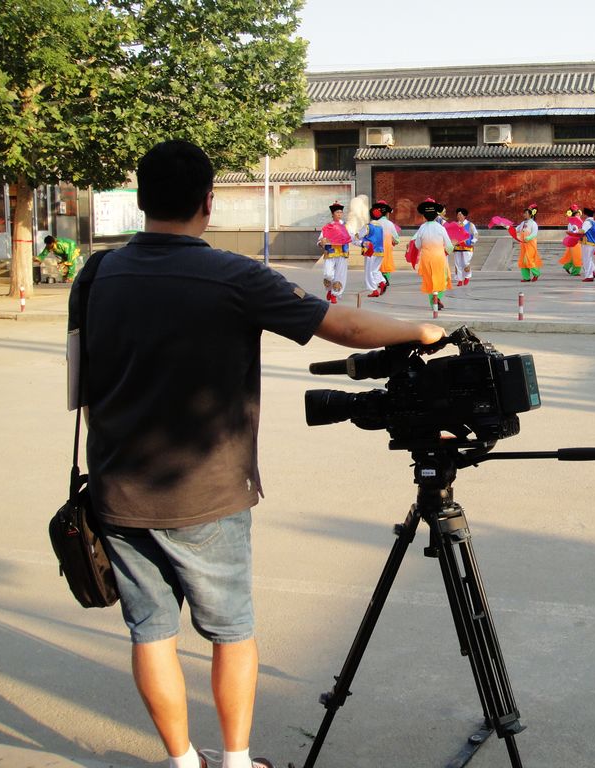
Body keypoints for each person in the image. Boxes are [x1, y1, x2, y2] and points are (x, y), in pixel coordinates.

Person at [74, 140, 444, 768]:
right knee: (231, 633)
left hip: (119, 491)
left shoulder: (95, 275)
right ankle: (237, 761)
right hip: (209, 493)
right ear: (208, 203)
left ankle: (182, 761)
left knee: (151, 633)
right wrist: (422, 330)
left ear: (140, 200)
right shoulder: (233, 275)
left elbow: (80, 387)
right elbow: (345, 327)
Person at [414, 198, 453, 310]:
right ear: (436, 215)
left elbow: (417, 245)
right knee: (442, 279)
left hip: (426, 258)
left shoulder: (421, 228)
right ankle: (437, 298)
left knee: (429, 280)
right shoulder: (441, 228)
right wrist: (448, 251)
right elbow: (449, 245)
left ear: (424, 216)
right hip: (439, 257)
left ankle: (433, 302)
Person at [317, 202, 351, 303]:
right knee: (328, 274)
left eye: (341, 212)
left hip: (342, 253)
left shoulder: (346, 226)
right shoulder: (327, 227)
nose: (339, 214)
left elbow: (353, 237)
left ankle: (334, 294)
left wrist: (362, 243)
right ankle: (330, 288)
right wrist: (321, 242)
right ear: (332, 214)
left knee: (340, 275)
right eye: (337, 212)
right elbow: (320, 240)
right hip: (330, 253)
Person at [358, 203, 392, 297]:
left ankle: (374, 290)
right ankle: (382, 282)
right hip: (380, 251)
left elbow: (359, 236)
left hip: (370, 251)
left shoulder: (368, 226)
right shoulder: (380, 227)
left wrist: (355, 237)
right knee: (375, 270)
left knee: (369, 272)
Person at [373, 200, 399, 290]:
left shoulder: (375, 223)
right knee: (386, 262)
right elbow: (396, 239)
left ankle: (380, 280)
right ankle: (385, 278)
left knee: (377, 264)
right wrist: (394, 241)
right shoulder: (390, 224)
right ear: (387, 213)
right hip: (387, 247)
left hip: (377, 247)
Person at [515, 203, 541, 282]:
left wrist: (528, 238)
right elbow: (516, 230)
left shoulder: (533, 224)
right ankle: (526, 277)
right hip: (523, 245)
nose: (524, 215)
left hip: (531, 245)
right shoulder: (523, 223)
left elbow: (534, 233)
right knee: (523, 261)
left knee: (528, 259)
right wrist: (508, 227)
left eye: (526, 213)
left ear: (530, 214)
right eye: (524, 213)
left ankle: (536, 273)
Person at [452, 207, 478, 286]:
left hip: (467, 246)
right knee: (458, 263)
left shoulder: (470, 225)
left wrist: (473, 241)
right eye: (457, 215)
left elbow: (475, 234)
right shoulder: (455, 225)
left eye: (460, 215)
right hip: (457, 246)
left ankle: (467, 276)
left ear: (464, 216)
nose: (458, 216)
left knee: (466, 262)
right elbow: (452, 235)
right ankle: (459, 279)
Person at [559, 204, 583, 276]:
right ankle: (575, 271)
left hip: (573, 240)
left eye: (578, 214)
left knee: (572, 255)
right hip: (575, 240)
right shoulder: (573, 223)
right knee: (577, 256)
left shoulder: (575, 221)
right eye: (576, 214)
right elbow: (574, 231)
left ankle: (567, 266)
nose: (578, 215)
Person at [578, 207, 595, 282]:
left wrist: (575, 231)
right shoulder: (594, 222)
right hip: (593, 243)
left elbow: (582, 231)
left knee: (586, 259)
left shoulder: (587, 222)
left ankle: (589, 276)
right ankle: (592, 271)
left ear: (585, 215)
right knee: (589, 258)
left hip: (587, 242)